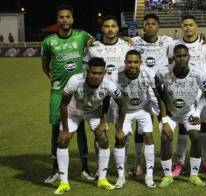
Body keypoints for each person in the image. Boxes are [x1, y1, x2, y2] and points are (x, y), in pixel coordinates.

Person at [54, 57, 127, 194]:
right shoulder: (75, 80)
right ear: (88, 71)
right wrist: (65, 129)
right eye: (94, 73)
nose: (96, 76)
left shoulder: (109, 84)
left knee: (104, 139)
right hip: (73, 111)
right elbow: (63, 104)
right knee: (63, 141)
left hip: (93, 112)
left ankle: (102, 179)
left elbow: (122, 104)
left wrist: (116, 127)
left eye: (100, 73)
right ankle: (64, 182)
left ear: (105, 72)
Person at [41, 4, 95, 184]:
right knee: (56, 129)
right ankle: (55, 169)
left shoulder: (82, 36)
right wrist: (53, 79)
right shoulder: (49, 42)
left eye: (68, 17)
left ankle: (85, 168)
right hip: (58, 92)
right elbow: (45, 65)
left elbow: (95, 42)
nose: (65, 20)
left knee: (79, 130)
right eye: (61, 17)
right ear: (57, 19)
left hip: (78, 93)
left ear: (72, 19)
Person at [83, 15, 131, 177]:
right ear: (102, 29)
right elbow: (85, 71)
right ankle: (100, 166)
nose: (110, 29)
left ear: (118, 28)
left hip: (120, 98)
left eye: (113, 26)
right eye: (106, 26)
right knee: (100, 133)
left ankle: (122, 166)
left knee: (123, 133)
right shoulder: (93, 47)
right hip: (98, 98)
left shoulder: (126, 45)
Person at [171, 14, 206, 177]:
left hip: (202, 93)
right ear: (181, 27)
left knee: (204, 127)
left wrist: (202, 76)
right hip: (182, 93)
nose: (188, 27)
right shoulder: (175, 44)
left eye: (191, 24)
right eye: (185, 25)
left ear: (196, 26)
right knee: (183, 128)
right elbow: (171, 63)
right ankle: (179, 163)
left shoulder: (205, 44)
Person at [156, 44, 206, 187]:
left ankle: (194, 175)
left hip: (189, 112)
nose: (181, 58)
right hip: (170, 113)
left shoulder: (198, 73)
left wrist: (197, 112)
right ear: (173, 58)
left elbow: (205, 92)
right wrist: (164, 119)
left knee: (196, 138)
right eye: (178, 56)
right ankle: (167, 176)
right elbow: (157, 92)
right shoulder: (163, 72)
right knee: (165, 138)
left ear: (189, 57)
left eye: (184, 55)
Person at [131, 13, 175, 176]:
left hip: (160, 90)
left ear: (158, 26)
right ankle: (138, 162)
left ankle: (167, 166)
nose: (150, 26)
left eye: (153, 23)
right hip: (141, 90)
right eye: (147, 23)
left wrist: (203, 37)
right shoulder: (134, 42)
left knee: (165, 125)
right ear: (143, 26)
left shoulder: (168, 42)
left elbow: (187, 43)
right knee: (141, 128)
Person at [114, 50, 157, 189]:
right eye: (130, 62)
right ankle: (121, 176)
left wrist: (163, 117)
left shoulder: (148, 73)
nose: (132, 65)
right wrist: (119, 128)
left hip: (142, 109)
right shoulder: (117, 75)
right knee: (120, 139)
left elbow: (156, 95)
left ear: (140, 63)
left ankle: (149, 175)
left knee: (148, 136)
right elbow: (115, 102)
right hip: (124, 110)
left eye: (135, 62)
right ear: (125, 62)